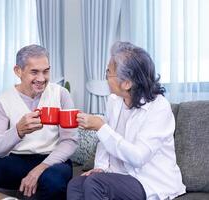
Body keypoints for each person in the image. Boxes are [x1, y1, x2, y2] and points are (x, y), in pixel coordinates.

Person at [67, 41, 186, 200]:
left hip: (148, 181)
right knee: (76, 184)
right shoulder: (114, 101)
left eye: (108, 72)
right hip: (120, 176)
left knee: (95, 183)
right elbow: (105, 142)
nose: (106, 78)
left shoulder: (159, 108)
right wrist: (101, 168)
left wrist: (101, 127)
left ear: (127, 83)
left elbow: (138, 157)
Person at [0, 44, 78, 200]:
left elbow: (70, 141)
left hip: (53, 161)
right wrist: (18, 131)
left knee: (53, 180)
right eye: (34, 72)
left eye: (46, 71)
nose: (41, 79)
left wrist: (40, 168)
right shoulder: (3, 100)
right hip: (17, 161)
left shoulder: (61, 94)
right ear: (18, 71)